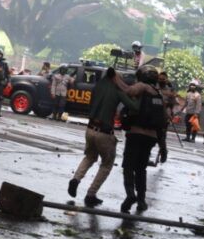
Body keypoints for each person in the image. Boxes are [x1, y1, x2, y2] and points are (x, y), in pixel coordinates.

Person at [68, 67, 139, 207]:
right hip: (105, 132)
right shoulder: (117, 89)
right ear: (115, 78)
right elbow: (134, 107)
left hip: (90, 128)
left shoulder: (97, 86)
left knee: (89, 157)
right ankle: (91, 194)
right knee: (107, 164)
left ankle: (75, 179)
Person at [119, 64, 168, 213]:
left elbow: (128, 91)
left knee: (128, 166)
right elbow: (162, 123)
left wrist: (116, 81)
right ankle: (141, 200)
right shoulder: (159, 95)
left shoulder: (141, 87)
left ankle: (130, 195)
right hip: (151, 138)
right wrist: (163, 147)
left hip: (135, 133)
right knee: (141, 168)